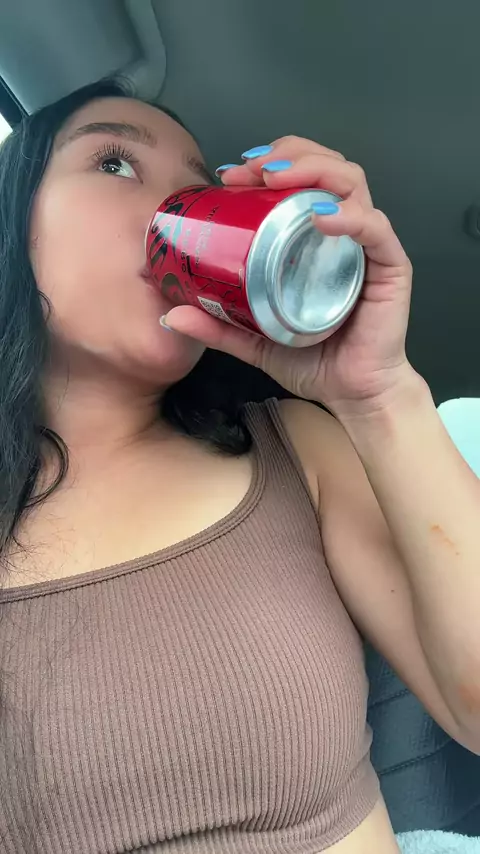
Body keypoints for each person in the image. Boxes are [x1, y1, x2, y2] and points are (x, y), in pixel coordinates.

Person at [0, 79, 478, 854]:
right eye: (114, 163)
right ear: (15, 222)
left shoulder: (296, 449)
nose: (168, 208)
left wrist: (381, 395)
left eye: (196, 190)